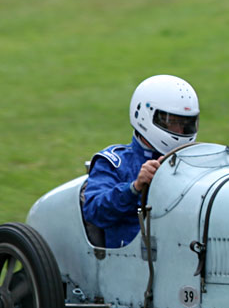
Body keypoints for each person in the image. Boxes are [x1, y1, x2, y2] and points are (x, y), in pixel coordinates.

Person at [82, 75, 200, 248]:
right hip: (133, 261)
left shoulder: (193, 160)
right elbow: (94, 212)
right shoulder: (114, 162)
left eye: (186, 124)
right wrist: (134, 188)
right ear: (144, 115)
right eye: (172, 122)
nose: (180, 130)